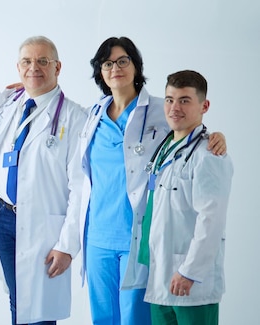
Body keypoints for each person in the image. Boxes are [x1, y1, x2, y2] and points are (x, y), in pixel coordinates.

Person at [78, 37, 227, 325]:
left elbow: (191, 129)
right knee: (103, 319)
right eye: (107, 63)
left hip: (136, 235)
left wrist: (217, 136)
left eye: (123, 60)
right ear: (100, 71)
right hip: (97, 238)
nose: (115, 68)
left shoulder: (162, 109)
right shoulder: (91, 115)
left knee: (135, 319)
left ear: (136, 66)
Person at [0, 36, 86, 325]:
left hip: (44, 226)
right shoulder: (8, 104)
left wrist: (67, 245)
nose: (33, 68)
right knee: (18, 302)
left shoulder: (75, 117)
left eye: (43, 61)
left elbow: (81, 188)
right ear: (18, 67)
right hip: (3, 218)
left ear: (58, 67)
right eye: (27, 61)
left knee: (40, 310)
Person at [139, 70, 233, 325]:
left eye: (184, 100)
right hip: (161, 281)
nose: (174, 107)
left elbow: (211, 221)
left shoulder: (209, 155)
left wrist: (189, 271)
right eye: (169, 99)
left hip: (192, 284)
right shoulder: (165, 148)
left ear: (204, 106)